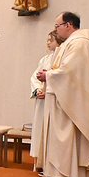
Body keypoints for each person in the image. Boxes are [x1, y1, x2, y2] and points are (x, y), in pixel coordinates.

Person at [35, 12, 89, 177]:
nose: (55, 30)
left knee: (67, 148)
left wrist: (49, 76)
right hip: (62, 104)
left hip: (71, 108)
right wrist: (49, 73)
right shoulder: (70, 44)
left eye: (57, 26)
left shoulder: (80, 44)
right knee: (59, 149)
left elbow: (69, 74)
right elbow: (63, 70)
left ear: (69, 25)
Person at [30, 31, 61, 166]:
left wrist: (48, 91)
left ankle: (51, 164)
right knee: (40, 131)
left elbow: (62, 79)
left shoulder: (62, 59)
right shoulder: (45, 60)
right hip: (42, 101)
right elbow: (34, 77)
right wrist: (37, 90)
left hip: (53, 100)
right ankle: (40, 163)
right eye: (47, 40)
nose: (48, 43)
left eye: (51, 40)